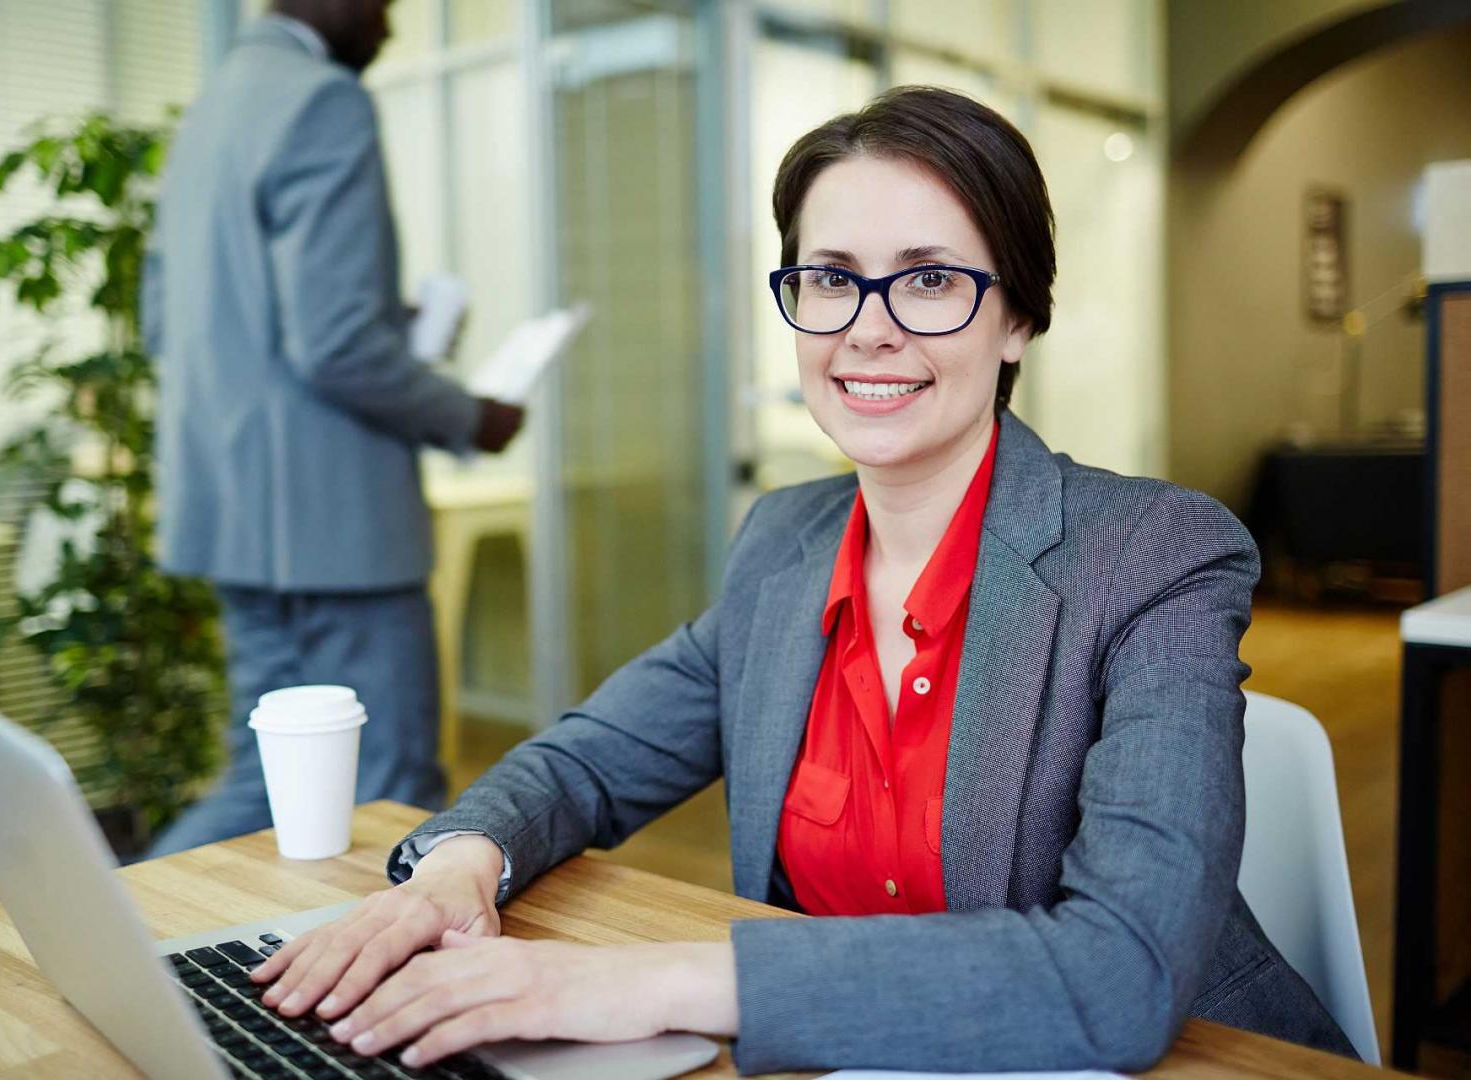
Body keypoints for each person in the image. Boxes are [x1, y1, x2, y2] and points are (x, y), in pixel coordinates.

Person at [246, 87, 1357, 1073]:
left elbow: (1122, 976)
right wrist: (456, 869)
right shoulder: (783, 543)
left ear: (1020, 317)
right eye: (831, 280)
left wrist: (651, 982)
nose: (868, 332)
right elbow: (590, 760)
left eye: (930, 280)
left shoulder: (1156, 552)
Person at [143, 0, 524, 857]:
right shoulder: (324, 100)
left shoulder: (215, 103)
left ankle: (110, 944)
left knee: (260, 782)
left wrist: (382, 318)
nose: (388, 27)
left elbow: (171, 323)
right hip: (335, 530)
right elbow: (336, 348)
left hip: (235, 520)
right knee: (388, 790)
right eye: (385, 5)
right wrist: (470, 417)